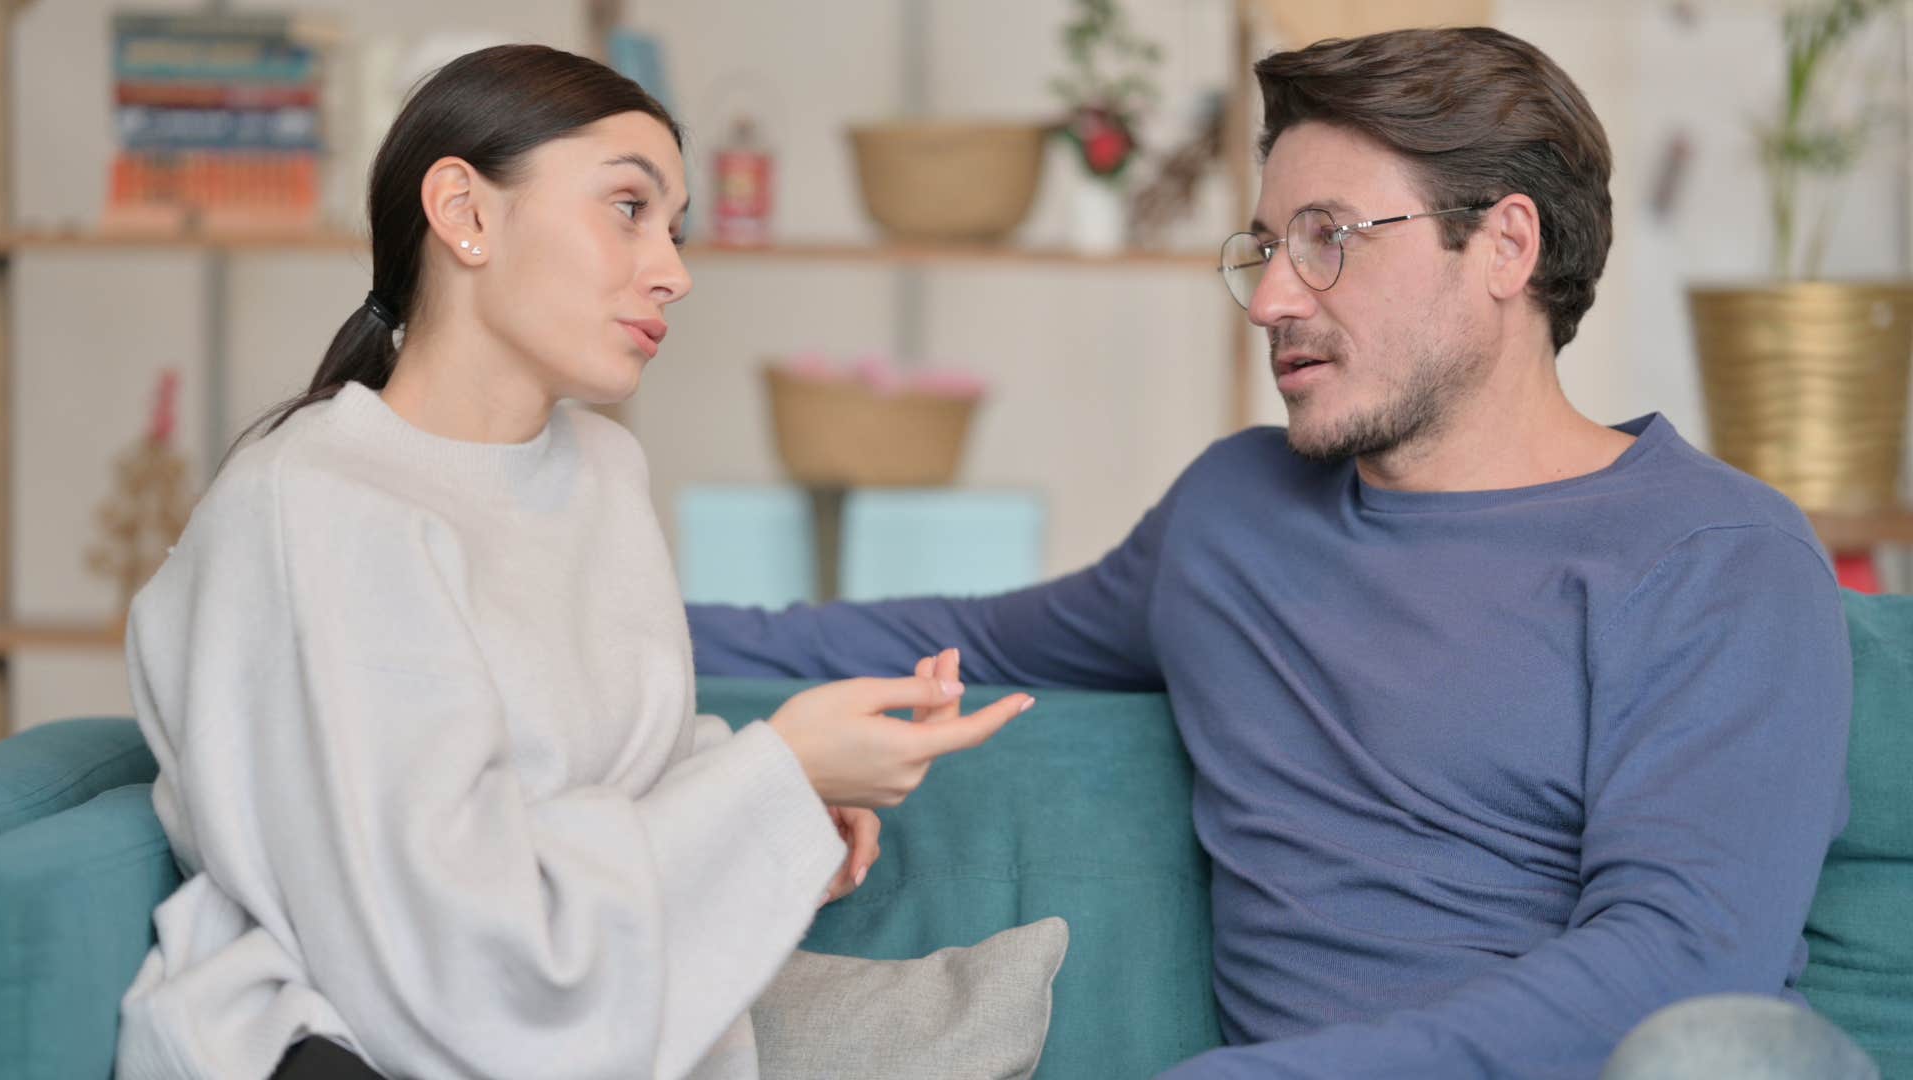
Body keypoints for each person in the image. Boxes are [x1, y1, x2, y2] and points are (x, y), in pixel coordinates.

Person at [687, 27, 1873, 1079]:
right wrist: (570, 617)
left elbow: (1683, 961)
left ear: (1507, 245)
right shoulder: (1233, 517)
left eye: (1331, 239)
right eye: (1264, 249)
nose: (1270, 303)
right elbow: (930, 642)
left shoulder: (1719, 557)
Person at [114, 45, 1031, 1080]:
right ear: (464, 211)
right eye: (629, 208)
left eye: (675, 228)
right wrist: (774, 778)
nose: (675, 271)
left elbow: (619, 780)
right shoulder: (316, 507)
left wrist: (785, 814)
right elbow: (447, 956)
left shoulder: (600, 472)